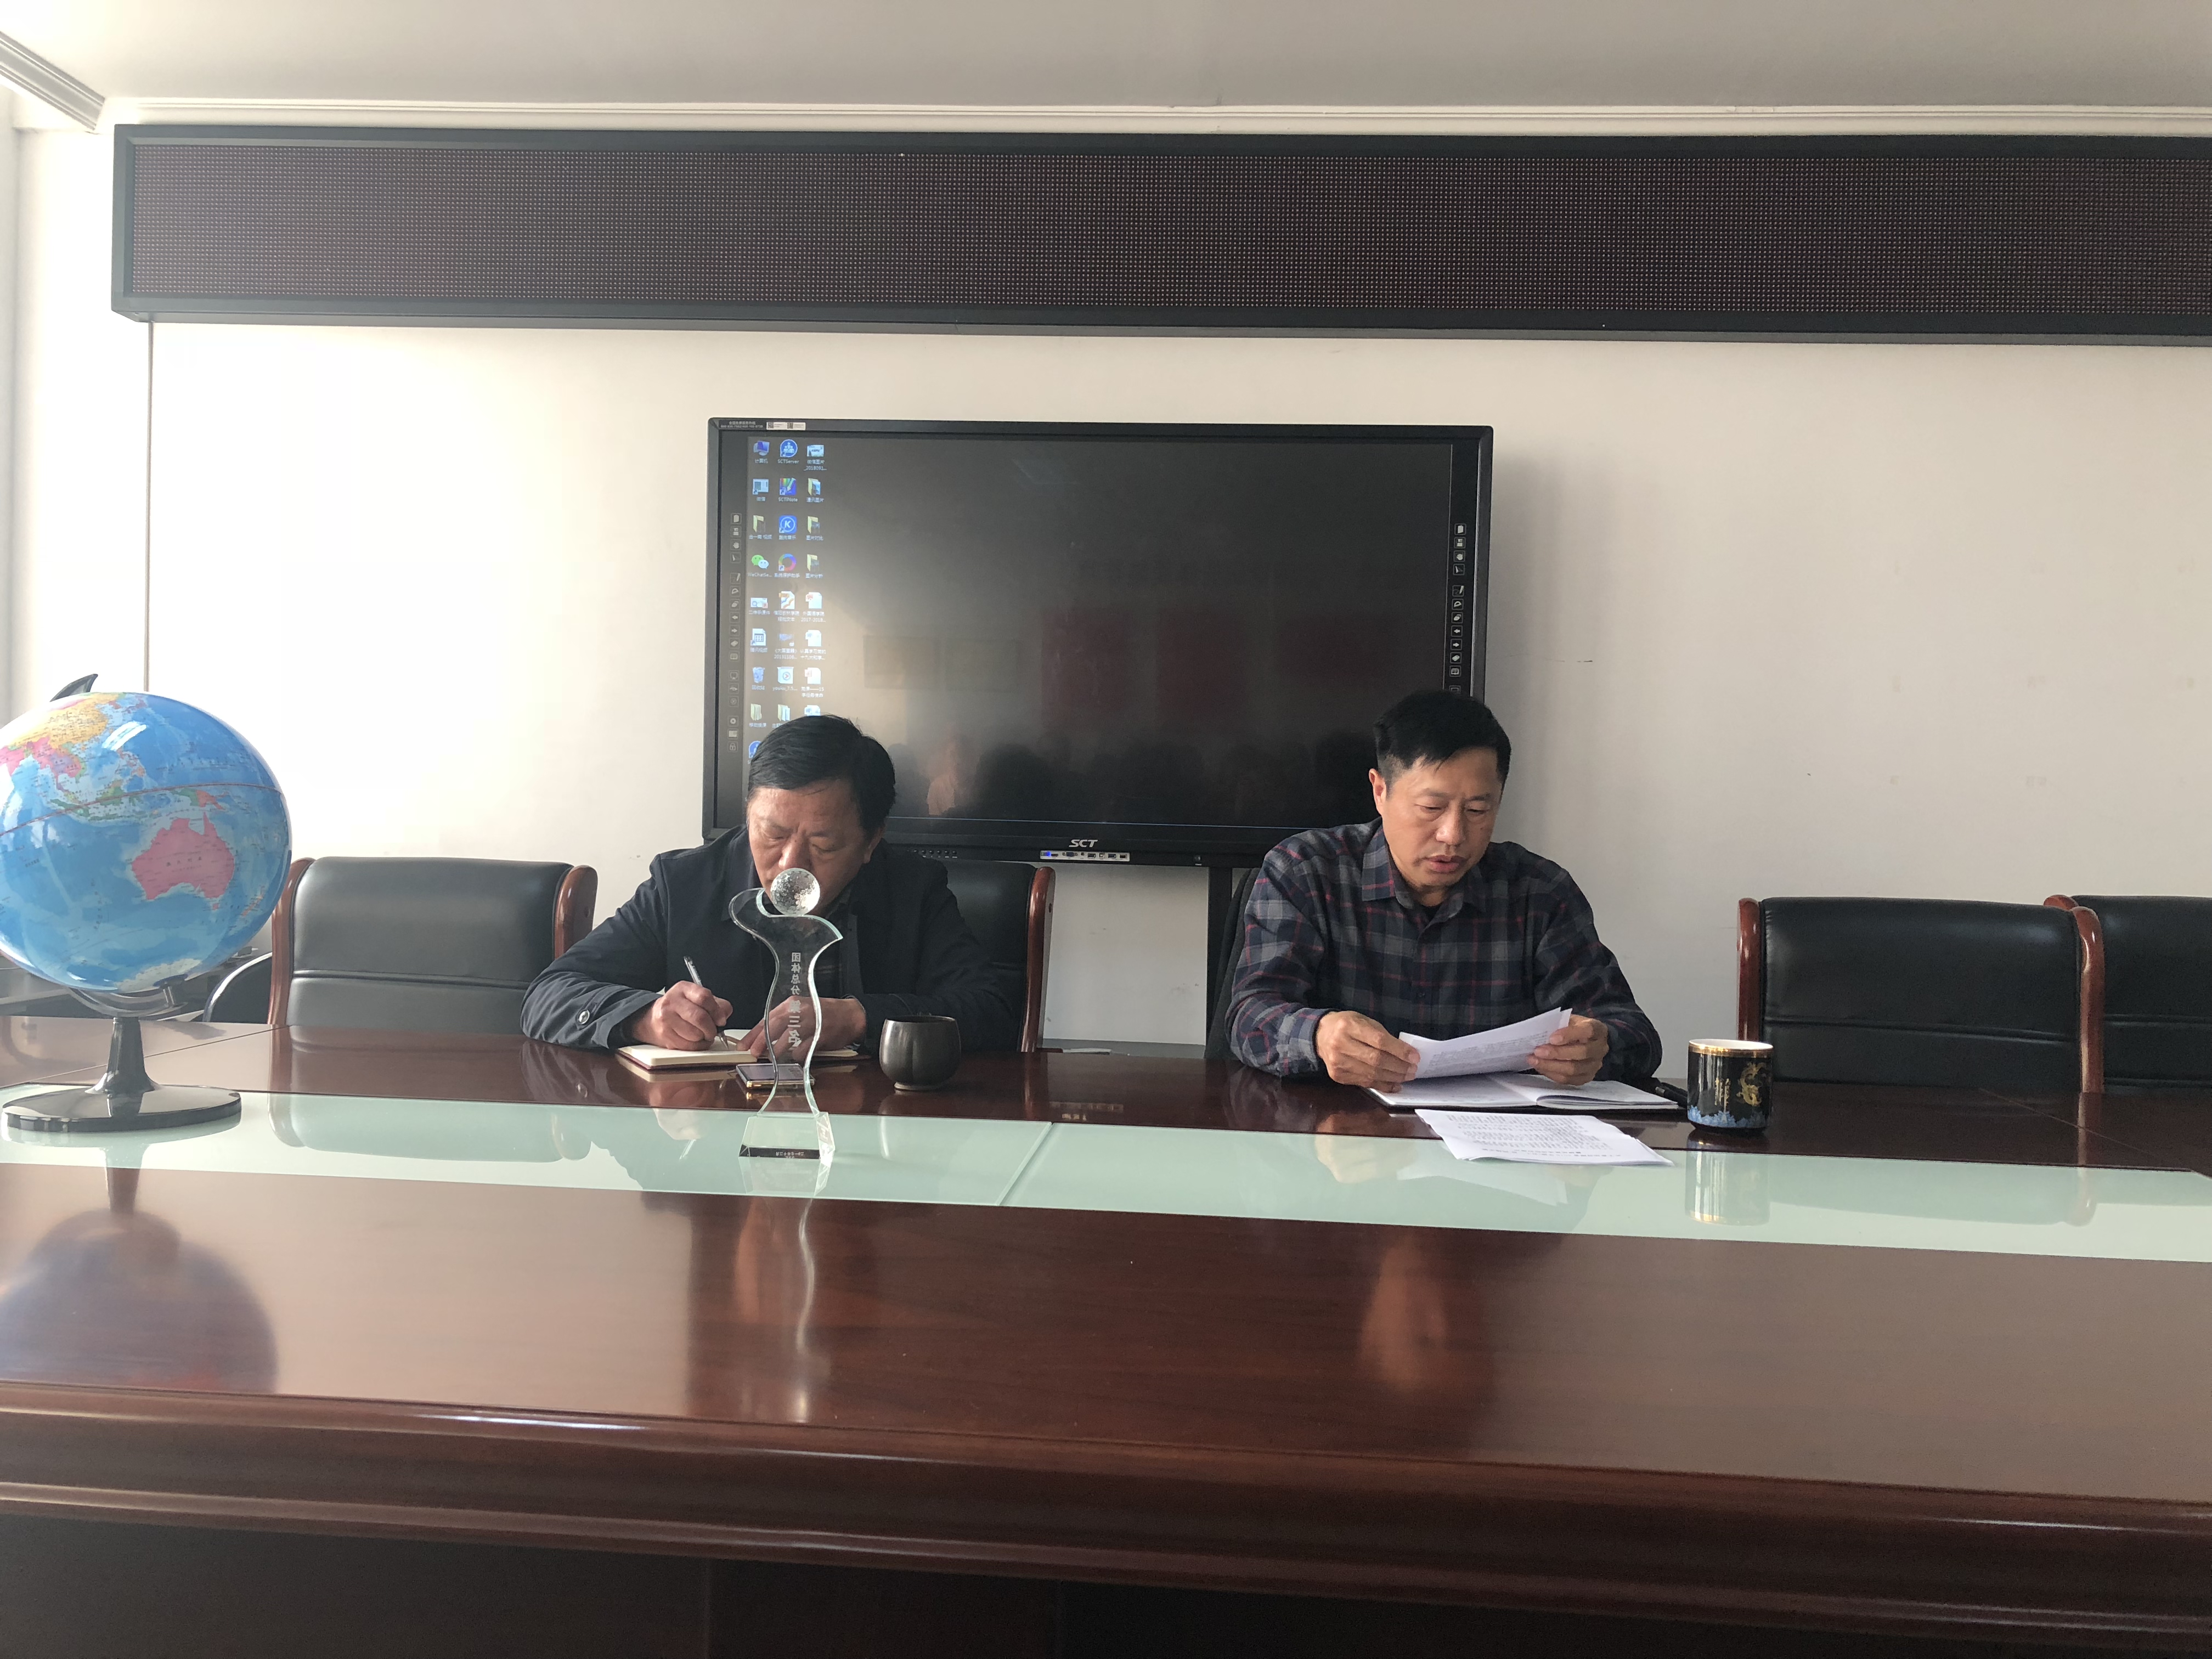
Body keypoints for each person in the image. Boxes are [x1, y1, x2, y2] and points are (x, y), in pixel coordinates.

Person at [1226, 690, 1660, 1090]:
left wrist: (1597, 1045)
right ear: (1380, 791)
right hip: (1340, 1133)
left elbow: (1633, 1032)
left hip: (1497, 1139)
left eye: (1477, 810)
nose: (1452, 835)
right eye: (1431, 807)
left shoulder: (1539, 894)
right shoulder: (1306, 872)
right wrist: (1318, 1035)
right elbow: (1250, 1017)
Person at [523, 716, 1020, 1055]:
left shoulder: (913, 888)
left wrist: (861, 1018)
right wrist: (644, 1017)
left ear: (871, 841)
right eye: (772, 834)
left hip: (872, 1132)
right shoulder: (684, 885)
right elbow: (549, 995)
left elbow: (992, 1012)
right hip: (721, 1131)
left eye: (824, 844)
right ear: (749, 815)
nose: (790, 865)